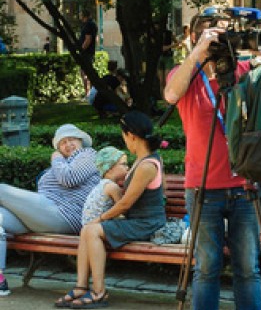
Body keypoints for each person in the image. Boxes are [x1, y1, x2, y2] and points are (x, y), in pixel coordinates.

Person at [164, 7, 261, 310]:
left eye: (225, 34)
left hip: (244, 186)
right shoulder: (187, 77)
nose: (222, 40)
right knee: (207, 268)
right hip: (203, 188)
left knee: (248, 269)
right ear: (197, 37)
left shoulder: (243, 72)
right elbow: (170, 95)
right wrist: (196, 53)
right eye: (214, 34)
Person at [55, 111, 166, 308]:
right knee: (87, 230)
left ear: (131, 135)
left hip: (146, 223)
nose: (125, 141)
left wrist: (100, 219)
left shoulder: (147, 165)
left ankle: (99, 292)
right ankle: (81, 286)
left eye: (124, 136)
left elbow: (125, 204)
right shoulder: (141, 161)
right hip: (136, 221)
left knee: (93, 229)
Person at [0, 124, 99, 297]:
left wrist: (56, 158)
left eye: (71, 140)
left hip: (66, 215)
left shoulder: (89, 155)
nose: (68, 145)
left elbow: (69, 178)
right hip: (44, 215)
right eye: (62, 143)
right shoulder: (62, 163)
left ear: (81, 141)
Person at [81, 147, 129, 226]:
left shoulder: (102, 184)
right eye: (124, 164)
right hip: (96, 227)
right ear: (109, 168)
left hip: (88, 225)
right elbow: (124, 209)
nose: (127, 168)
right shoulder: (112, 187)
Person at [78, 10, 98, 95]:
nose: (80, 16)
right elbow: (95, 39)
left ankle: (88, 93)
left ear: (84, 16)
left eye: (81, 14)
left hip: (86, 53)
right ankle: (90, 92)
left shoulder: (88, 25)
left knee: (85, 73)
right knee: (88, 73)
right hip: (90, 52)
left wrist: (82, 49)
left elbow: (88, 39)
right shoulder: (92, 24)